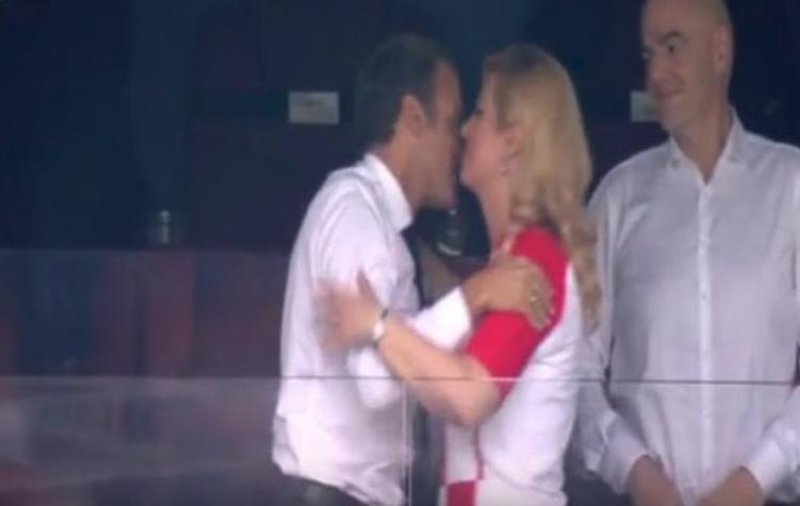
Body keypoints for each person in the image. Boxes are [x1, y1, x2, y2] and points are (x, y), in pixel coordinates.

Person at [271, 34, 551, 506]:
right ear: (413, 118)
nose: (461, 138)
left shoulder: (384, 226)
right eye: (452, 121)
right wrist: (474, 296)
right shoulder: (356, 215)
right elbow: (375, 382)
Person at [322, 43, 600, 506]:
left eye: (480, 113)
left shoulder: (535, 261)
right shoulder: (509, 264)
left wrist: (377, 324)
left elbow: (470, 397)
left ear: (513, 140)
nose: (466, 130)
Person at [576, 0, 800, 505]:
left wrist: (753, 481)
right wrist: (636, 471)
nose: (656, 73)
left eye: (673, 47)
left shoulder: (791, 186)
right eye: (648, 54)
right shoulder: (618, 198)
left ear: (720, 50)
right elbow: (576, 369)